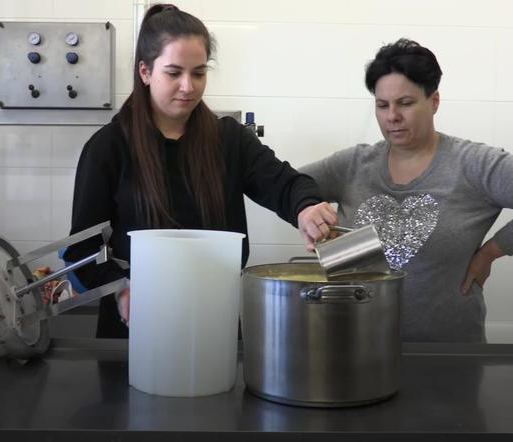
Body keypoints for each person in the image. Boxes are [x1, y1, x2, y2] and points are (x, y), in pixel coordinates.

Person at [64, 4, 336, 338]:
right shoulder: (109, 147)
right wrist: (121, 289)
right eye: (174, 73)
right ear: (145, 72)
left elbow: (284, 184)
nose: (188, 87)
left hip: (213, 320)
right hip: (135, 327)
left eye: (198, 72)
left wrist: (305, 206)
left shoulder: (228, 139)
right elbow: (81, 251)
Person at [300, 38, 513, 343]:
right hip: (354, 345)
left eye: (405, 103)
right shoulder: (352, 164)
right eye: (382, 105)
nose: (392, 116)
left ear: (433, 101)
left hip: (448, 354)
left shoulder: (473, 164)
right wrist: (306, 211)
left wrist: (492, 251)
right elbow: (282, 185)